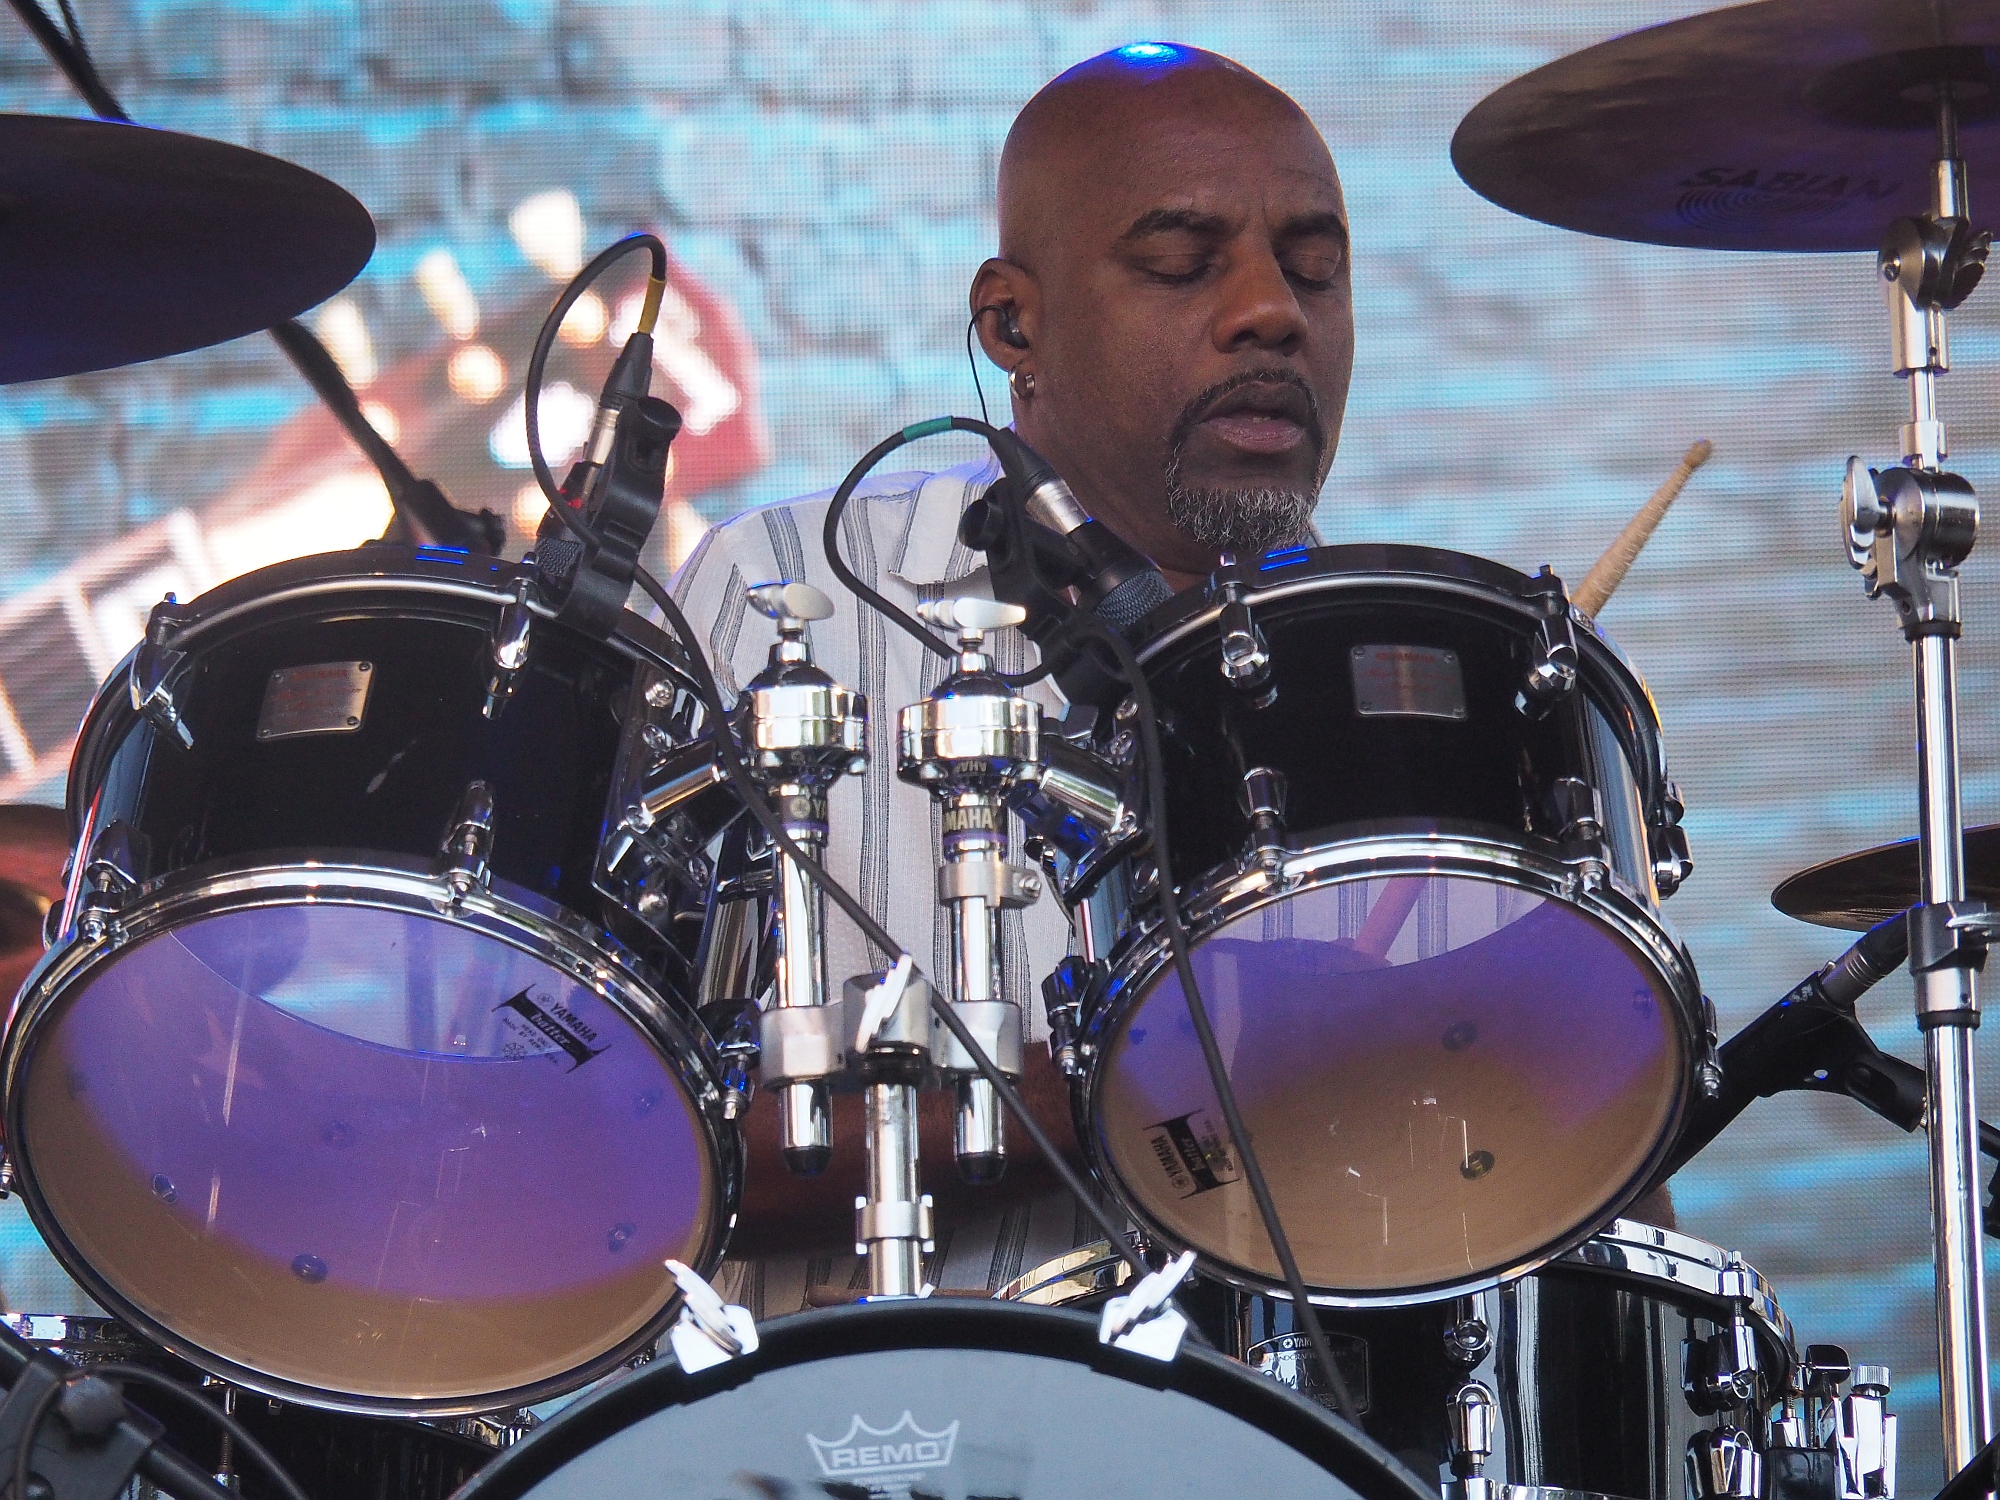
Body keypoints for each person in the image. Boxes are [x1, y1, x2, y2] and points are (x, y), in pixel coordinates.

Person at [671, 43, 1663, 1315]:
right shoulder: (774, 591)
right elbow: (582, 1143)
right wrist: (1139, 1091)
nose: (1270, 312)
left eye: (1313, 268)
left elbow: (1610, 1237)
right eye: (1183, 263)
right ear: (1012, 324)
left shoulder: (1446, 695)